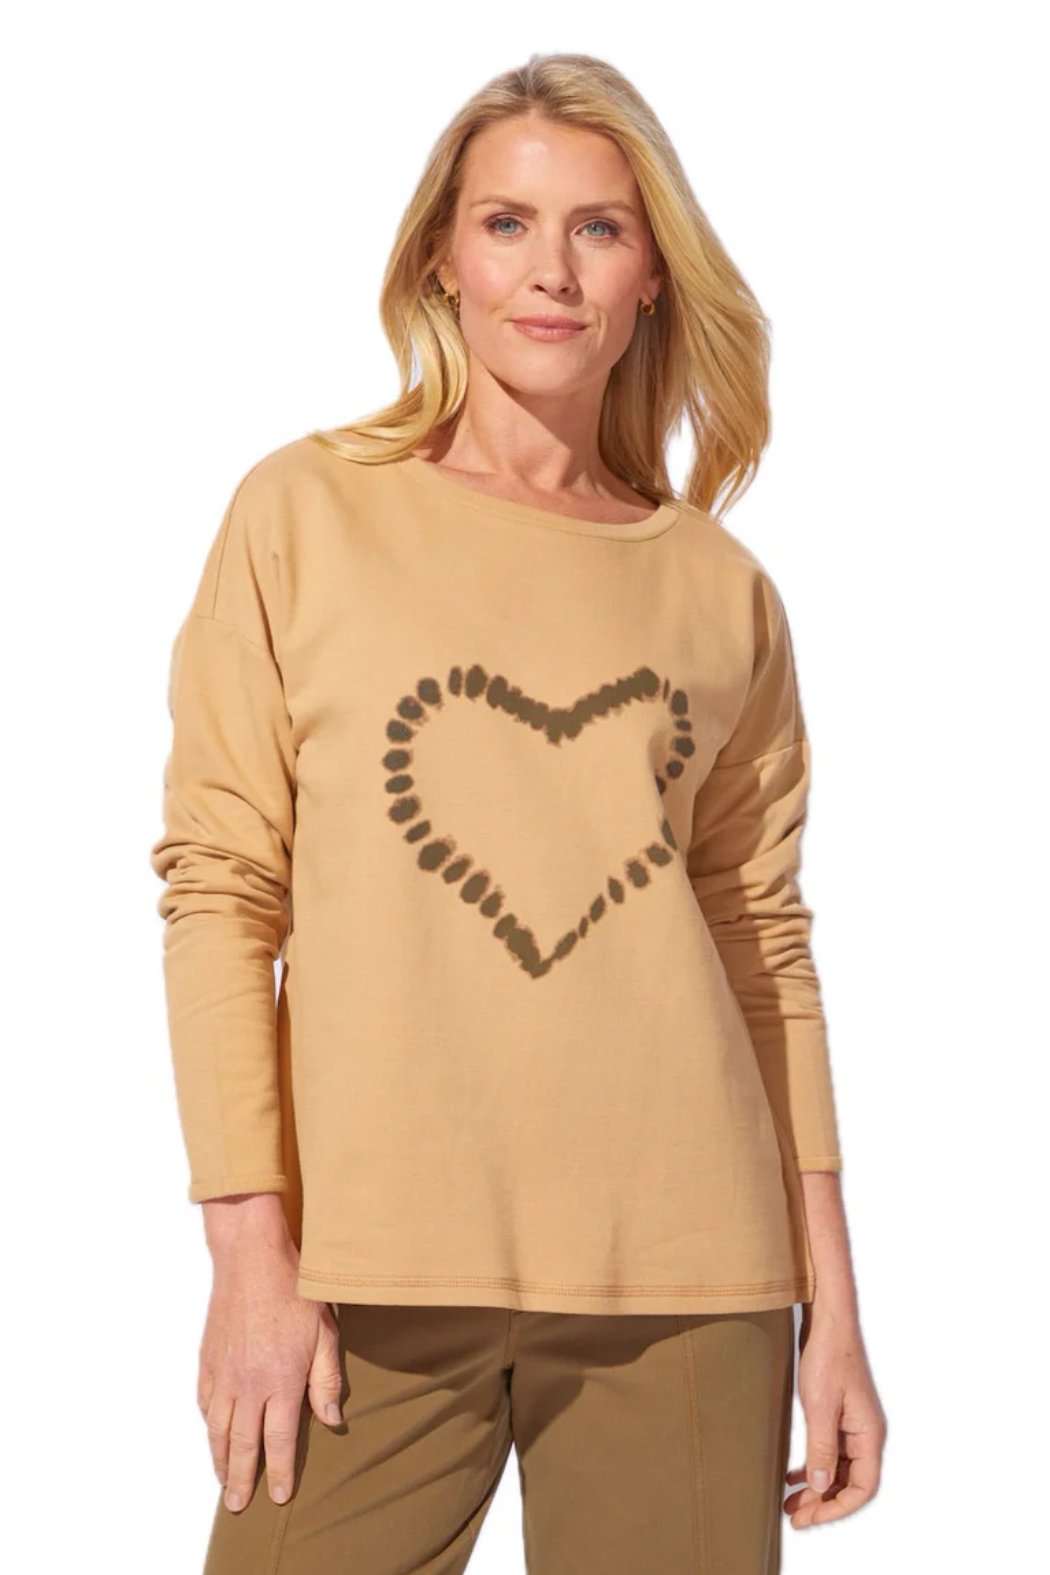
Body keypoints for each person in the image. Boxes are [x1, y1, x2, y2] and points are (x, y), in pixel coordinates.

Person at [149, 50, 887, 1575]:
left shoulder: (717, 588)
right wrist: (248, 1254)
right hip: (364, 1272)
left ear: (651, 276)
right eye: (506, 223)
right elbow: (220, 888)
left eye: (598, 228)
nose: (550, 270)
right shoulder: (305, 512)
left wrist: (833, 1312)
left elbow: (761, 949)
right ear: (441, 255)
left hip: (690, 1280)